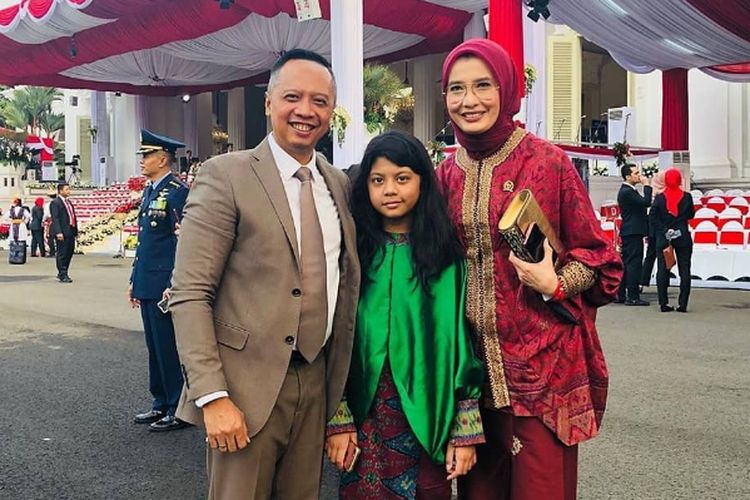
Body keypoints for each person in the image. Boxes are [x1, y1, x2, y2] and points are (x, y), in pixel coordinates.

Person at [169, 49, 360, 499]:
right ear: (268, 102)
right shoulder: (226, 175)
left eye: (319, 101)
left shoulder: (338, 184)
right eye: (293, 97)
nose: (305, 111)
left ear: (332, 111)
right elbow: (190, 293)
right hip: (244, 389)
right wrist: (212, 396)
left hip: (315, 383)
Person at [435, 39, 622, 500]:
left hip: (543, 369)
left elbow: (600, 259)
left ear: (507, 90)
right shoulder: (447, 173)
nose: (469, 100)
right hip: (473, 375)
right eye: (456, 89)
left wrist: (556, 283)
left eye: (483, 85)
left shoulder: (547, 161)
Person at [325, 131, 485, 499]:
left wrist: (465, 429)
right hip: (363, 412)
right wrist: (337, 417)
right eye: (377, 180)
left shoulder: (445, 260)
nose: (389, 190)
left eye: (402, 178)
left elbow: (461, 344)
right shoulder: (353, 257)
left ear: (422, 182)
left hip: (429, 414)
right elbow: (334, 340)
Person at [128, 129, 191, 432]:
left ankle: (178, 408)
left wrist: (175, 282)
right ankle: (161, 402)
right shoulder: (151, 191)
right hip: (148, 280)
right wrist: (134, 278)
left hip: (165, 283)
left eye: (147, 155)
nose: (142, 160)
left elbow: (182, 241)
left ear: (163, 159)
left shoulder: (177, 192)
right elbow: (145, 242)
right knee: (154, 346)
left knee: (168, 347)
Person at [652, 168, 695, 313]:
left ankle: (663, 303)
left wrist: (664, 230)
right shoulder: (687, 197)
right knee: (685, 269)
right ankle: (683, 304)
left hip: (665, 237)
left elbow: (653, 218)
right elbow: (691, 215)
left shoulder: (659, 198)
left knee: (663, 269)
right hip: (682, 236)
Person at [616, 163, 652, 305]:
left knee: (627, 263)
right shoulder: (627, 191)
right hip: (633, 231)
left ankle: (621, 294)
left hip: (631, 230)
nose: (639, 176)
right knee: (634, 264)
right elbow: (646, 202)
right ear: (627, 176)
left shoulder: (629, 190)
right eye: (636, 173)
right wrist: (647, 185)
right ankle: (632, 296)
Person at [640, 171, 666, 288]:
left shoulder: (653, 193)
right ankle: (662, 282)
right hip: (660, 230)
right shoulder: (662, 195)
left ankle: (643, 281)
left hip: (654, 230)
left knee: (651, 255)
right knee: (659, 256)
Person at [49, 182, 78, 283]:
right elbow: (55, 218)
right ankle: (62, 273)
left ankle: (64, 270)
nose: (69, 191)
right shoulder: (55, 203)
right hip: (62, 231)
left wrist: (75, 231)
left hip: (70, 230)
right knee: (62, 253)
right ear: (60, 191)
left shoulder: (68, 202)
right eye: (66, 189)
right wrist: (58, 232)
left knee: (69, 251)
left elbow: (72, 216)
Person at [44, 188, 57, 258]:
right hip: (58, 221)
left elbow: (45, 214)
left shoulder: (47, 205)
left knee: (50, 237)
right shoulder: (59, 203)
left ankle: (52, 252)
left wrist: (43, 221)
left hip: (51, 222)